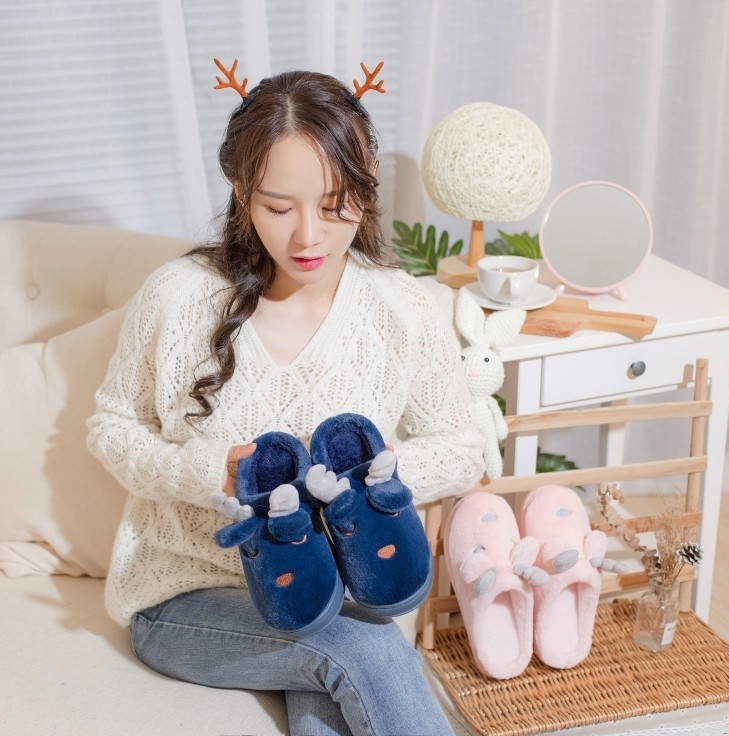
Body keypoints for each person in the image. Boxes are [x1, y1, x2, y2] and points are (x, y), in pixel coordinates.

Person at [86, 64, 485, 736]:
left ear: (366, 186)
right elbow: (112, 427)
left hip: (337, 596)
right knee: (369, 652)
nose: (308, 236)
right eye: (278, 207)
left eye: (334, 205)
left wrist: (376, 475)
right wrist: (209, 472)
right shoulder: (178, 297)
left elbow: (466, 449)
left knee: (334, 693)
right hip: (188, 597)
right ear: (241, 192)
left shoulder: (403, 311)